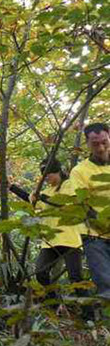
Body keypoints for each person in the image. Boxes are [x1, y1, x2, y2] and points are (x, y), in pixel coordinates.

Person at [68, 122, 110, 299]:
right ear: (87, 144)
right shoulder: (79, 171)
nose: (100, 148)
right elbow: (83, 205)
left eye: (104, 142)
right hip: (95, 236)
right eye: (95, 144)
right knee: (106, 286)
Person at [33, 158, 84, 298]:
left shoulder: (70, 185)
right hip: (50, 241)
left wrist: (45, 199)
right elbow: (34, 203)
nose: (47, 177)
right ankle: (54, 302)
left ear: (58, 172)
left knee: (76, 279)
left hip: (70, 239)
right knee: (40, 273)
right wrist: (13, 188)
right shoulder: (47, 191)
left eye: (49, 173)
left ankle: (88, 314)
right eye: (44, 175)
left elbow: (69, 205)